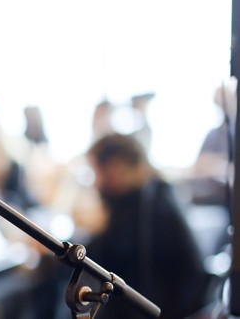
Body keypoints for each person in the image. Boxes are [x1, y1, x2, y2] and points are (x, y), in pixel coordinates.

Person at [84, 133, 209, 319]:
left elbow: (110, 258)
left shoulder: (147, 207)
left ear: (116, 168)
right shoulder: (150, 196)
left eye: (97, 172)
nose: (96, 184)